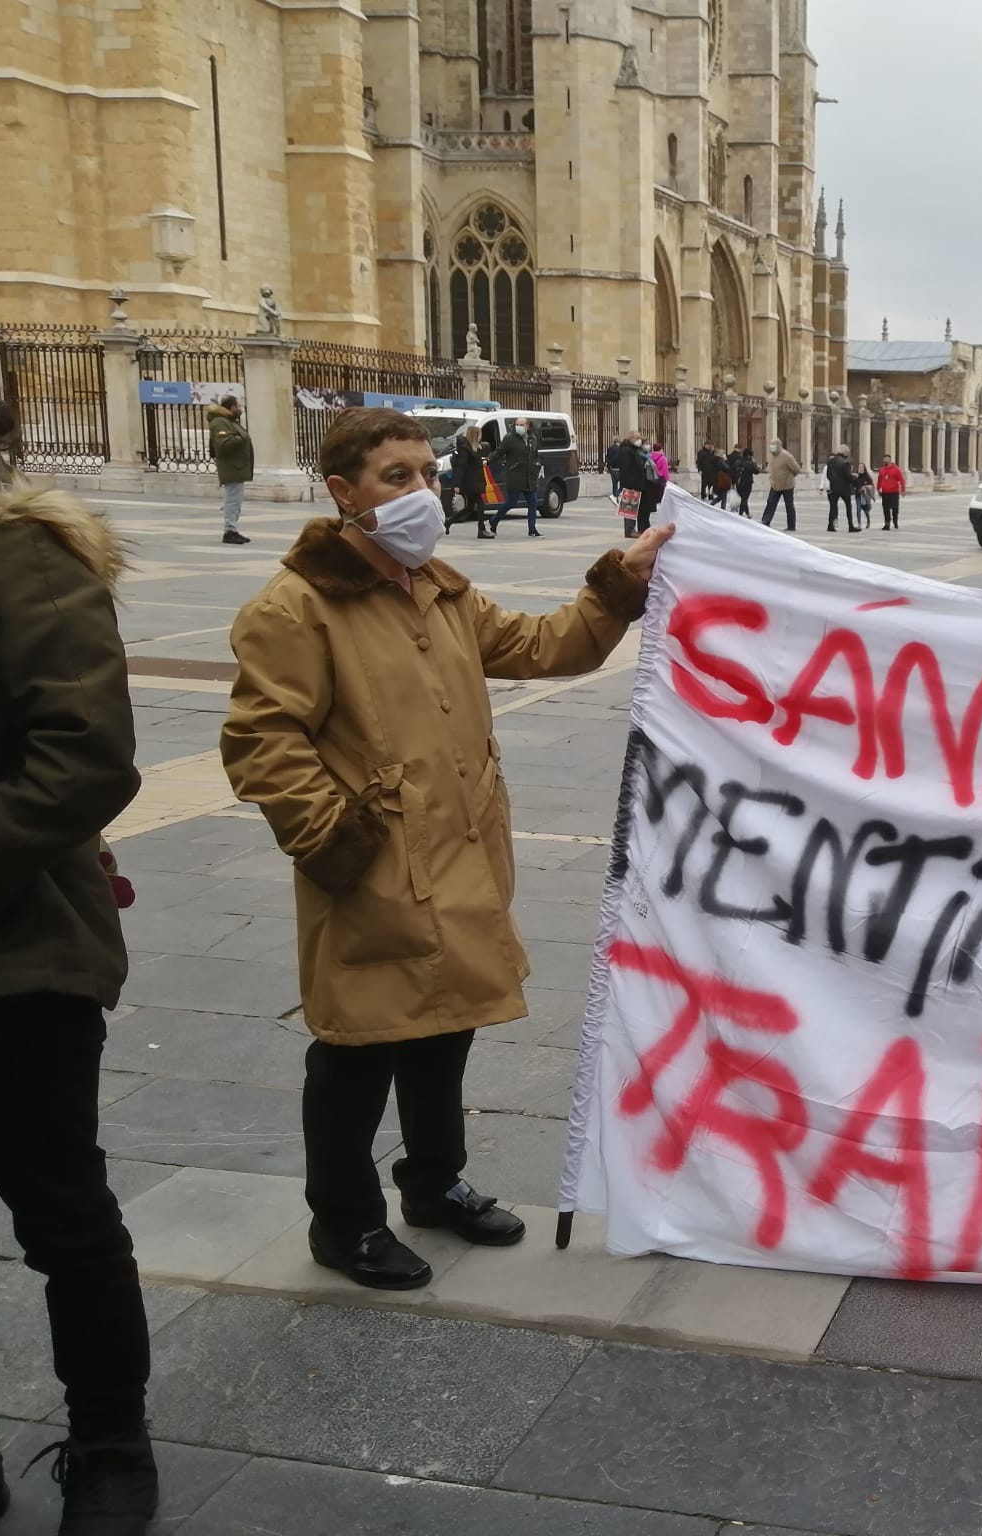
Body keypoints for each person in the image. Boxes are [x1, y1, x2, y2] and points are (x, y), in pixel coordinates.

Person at [219, 408, 673, 1292]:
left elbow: (548, 646)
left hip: (458, 860)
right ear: (344, 493)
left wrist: (621, 580)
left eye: (428, 473)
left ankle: (432, 1183)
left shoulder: (440, 589)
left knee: (443, 1032)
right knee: (356, 1050)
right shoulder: (295, 607)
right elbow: (261, 739)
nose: (423, 491)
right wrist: (336, 842)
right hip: (373, 870)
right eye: (397, 476)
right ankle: (343, 1223)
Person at [0, 477, 162, 1532]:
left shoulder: (25, 558)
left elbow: (85, 756)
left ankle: (109, 1442)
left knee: (62, 1210)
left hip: (18, 953)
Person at [208, 395, 255, 546]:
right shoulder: (220, 422)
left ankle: (232, 529)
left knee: (235, 500)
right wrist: (243, 439)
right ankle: (229, 531)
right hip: (231, 467)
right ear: (231, 407)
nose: (240, 409)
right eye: (238, 406)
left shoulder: (228, 421)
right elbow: (223, 444)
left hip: (236, 467)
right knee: (232, 501)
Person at [484, 418, 542, 538]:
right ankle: (493, 521)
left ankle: (532, 529)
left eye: (521, 424)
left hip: (530, 477)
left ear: (527, 426)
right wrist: (488, 459)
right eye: (517, 424)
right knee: (510, 502)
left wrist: (537, 465)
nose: (519, 427)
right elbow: (499, 451)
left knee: (533, 502)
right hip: (516, 475)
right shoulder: (510, 438)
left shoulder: (533, 439)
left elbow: (535, 455)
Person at [614, 433, 651, 537]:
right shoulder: (626, 451)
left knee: (633, 508)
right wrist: (630, 484)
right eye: (637, 438)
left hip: (636, 484)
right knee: (629, 508)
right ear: (631, 439)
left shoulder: (632, 450)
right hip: (631, 484)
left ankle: (632, 529)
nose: (639, 440)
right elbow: (626, 469)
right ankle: (629, 530)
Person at [449, 426, 484, 532]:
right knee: (481, 504)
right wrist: (457, 484)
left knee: (469, 507)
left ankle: (449, 521)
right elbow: (461, 467)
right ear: (476, 435)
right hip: (471, 482)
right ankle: (481, 530)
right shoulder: (465, 449)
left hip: (474, 480)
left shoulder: (473, 448)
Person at [764, 438, 802, 529]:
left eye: (774, 445)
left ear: (779, 446)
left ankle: (791, 525)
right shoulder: (772, 456)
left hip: (787, 485)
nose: (772, 447)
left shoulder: (787, 456)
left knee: (789, 505)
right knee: (771, 502)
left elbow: (797, 469)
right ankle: (766, 520)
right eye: (771, 444)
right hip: (775, 484)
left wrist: (788, 477)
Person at [825, 449, 855, 531]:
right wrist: (854, 480)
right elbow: (848, 476)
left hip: (834, 487)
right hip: (844, 488)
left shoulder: (830, 462)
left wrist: (833, 482)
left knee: (833, 507)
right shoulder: (845, 462)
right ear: (845, 454)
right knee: (848, 507)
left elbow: (828, 475)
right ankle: (850, 526)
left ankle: (830, 525)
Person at [876, 453, 905, 530]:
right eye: (883, 461)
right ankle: (887, 523)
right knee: (885, 508)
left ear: (889, 461)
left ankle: (895, 520)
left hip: (894, 492)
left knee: (895, 508)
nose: (884, 462)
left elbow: (901, 480)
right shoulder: (882, 469)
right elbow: (879, 479)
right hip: (885, 492)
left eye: (886, 461)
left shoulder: (896, 469)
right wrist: (878, 488)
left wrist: (903, 490)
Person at [730, 445, 756, 517]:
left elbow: (733, 471)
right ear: (748, 456)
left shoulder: (737, 462)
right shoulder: (750, 463)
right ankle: (740, 514)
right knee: (744, 499)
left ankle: (747, 513)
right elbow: (756, 471)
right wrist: (754, 464)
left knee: (743, 498)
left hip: (738, 483)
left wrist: (733, 482)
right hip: (747, 483)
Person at [695, 442, 723, 506]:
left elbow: (715, 460)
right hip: (705, 471)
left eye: (710, 445)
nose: (709, 446)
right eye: (708, 445)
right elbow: (699, 461)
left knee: (711, 484)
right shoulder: (701, 452)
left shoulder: (712, 453)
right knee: (704, 484)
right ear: (705, 445)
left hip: (712, 471)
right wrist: (699, 469)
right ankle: (703, 495)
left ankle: (711, 495)